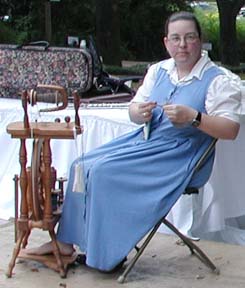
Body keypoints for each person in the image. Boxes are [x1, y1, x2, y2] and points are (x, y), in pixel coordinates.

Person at [27, 11, 242, 272]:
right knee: (81, 165)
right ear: (166, 42)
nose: (182, 45)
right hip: (146, 142)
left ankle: (105, 256)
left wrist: (193, 117)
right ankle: (65, 242)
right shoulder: (159, 71)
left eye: (189, 37)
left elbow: (230, 130)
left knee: (105, 173)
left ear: (200, 41)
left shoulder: (218, 79)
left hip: (182, 156)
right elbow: (133, 109)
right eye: (176, 38)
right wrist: (138, 113)